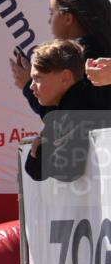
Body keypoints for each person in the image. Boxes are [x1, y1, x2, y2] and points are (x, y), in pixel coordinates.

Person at [10, 0, 111, 114]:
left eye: (52, 13)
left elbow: (66, 120)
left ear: (68, 18)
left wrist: (28, 84)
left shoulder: (79, 57)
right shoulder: (102, 48)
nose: (49, 20)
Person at [24, 40, 107, 182]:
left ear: (65, 77)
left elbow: (68, 168)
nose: (31, 87)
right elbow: (34, 171)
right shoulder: (57, 113)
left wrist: (40, 150)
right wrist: (41, 151)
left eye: (37, 78)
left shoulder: (86, 107)